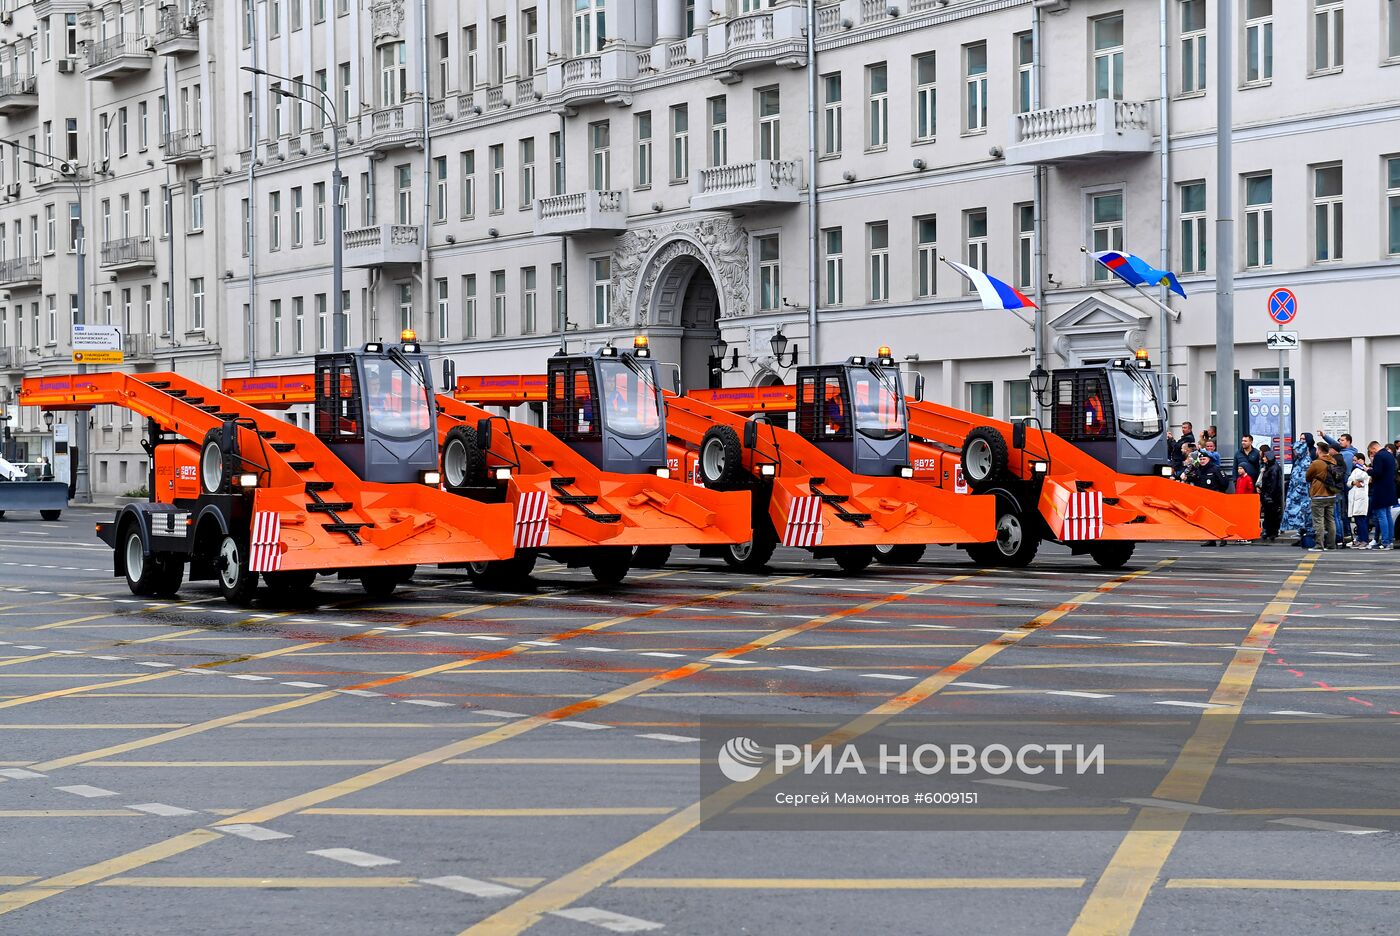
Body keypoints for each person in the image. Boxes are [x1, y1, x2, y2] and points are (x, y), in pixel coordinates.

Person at [1321, 430, 1358, 542]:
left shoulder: (1347, 454)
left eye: (1342, 440)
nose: (1340, 442)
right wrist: (1324, 436)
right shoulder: (1344, 452)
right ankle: (1344, 534)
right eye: (1340, 440)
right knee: (1341, 512)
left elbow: (1343, 472)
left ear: (1349, 442)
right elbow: (1334, 445)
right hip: (1343, 486)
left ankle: (1342, 534)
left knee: (1340, 513)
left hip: (1343, 487)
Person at [1306, 441, 1340, 551]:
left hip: (1319, 494)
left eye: (1317, 449)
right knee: (1330, 520)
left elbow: (1308, 477)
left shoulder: (1316, 463)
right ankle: (1331, 544)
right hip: (1331, 494)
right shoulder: (1333, 460)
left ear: (1319, 450)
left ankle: (1319, 545)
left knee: (1318, 521)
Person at [1282, 437, 1316, 548]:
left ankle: (1308, 539)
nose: (1295, 452)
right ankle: (1303, 537)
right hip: (1297, 495)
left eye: (1296, 449)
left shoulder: (1306, 461)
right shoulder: (1299, 461)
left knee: (1305, 517)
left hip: (1302, 495)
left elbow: (1304, 479)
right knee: (1301, 518)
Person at [1367, 440, 1397, 550]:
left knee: (1381, 515)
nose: (1372, 454)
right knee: (1388, 515)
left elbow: (1377, 472)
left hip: (1381, 489)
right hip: (1390, 488)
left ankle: (1384, 542)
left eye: (1371, 452)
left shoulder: (1379, 456)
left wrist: (1368, 470)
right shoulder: (1389, 455)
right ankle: (1389, 540)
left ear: (1374, 448)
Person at [1258, 446, 1284, 541]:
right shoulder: (1271, 467)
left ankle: (1271, 532)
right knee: (1270, 515)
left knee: (1271, 515)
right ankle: (1270, 532)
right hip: (1270, 495)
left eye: (1264, 457)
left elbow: (1273, 483)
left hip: (1271, 496)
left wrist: (1267, 495)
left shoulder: (1272, 469)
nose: (1263, 458)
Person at [1348, 453, 1371, 548]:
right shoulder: (1355, 470)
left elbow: (1365, 479)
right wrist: (1353, 482)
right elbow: (1349, 482)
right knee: (1357, 520)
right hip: (1354, 498)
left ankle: (1364, 539)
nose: (1354, 462)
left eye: (1355, 460)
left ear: (1361, 460)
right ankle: (1359, 538)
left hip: (1361, 498)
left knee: (1362, 520)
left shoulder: (1364, 470)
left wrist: (1356, 481)